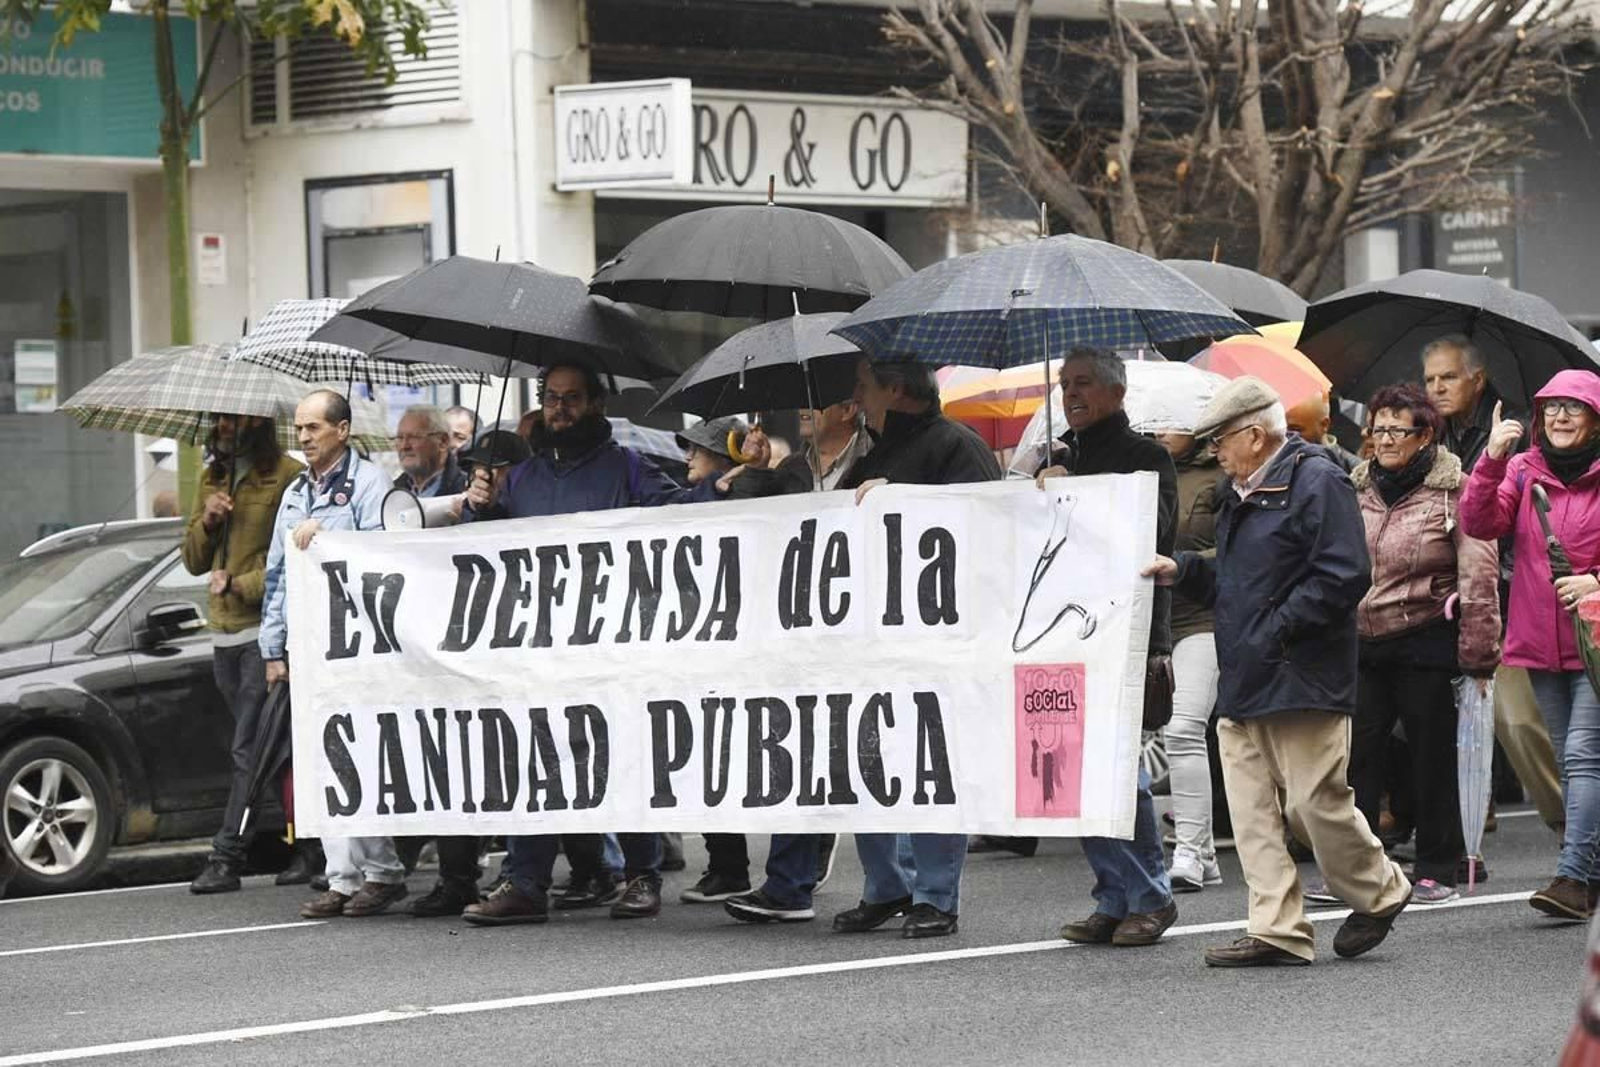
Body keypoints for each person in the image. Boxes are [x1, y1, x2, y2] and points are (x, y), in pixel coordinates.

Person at [1147, 376, 1412, 967]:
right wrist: (1184, 569)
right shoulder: (1240, 489)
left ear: (1254, 435)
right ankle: (1278, 929)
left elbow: (1344, 574)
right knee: (1252, 812)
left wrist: (1275, 628)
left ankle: (1383, 889)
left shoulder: (1317, 480)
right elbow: (1243, 576)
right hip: (1248, 669)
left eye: (1220, 440)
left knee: (1313, 806)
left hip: (1300, 674)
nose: (1213, 451)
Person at [458, 363, 727, 928]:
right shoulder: (523, 478)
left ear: (597, 403)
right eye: (551, 399)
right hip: (539, 648)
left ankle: (640, 874)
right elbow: (489, 552)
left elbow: (678, 516)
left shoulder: (628, 468)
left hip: (612, 647)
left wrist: (721, 487)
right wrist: (482, 506)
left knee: (621, 755)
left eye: (572, 399)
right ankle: (527, 882)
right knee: (535, 760)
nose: (560, 410)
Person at [825, 358, 1001, 939]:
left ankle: (934, 895)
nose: (856, 397)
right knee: (870, 760)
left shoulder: (959, 446)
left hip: (939, 640)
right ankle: (887, 886)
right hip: (875, 638)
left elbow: (986, 526)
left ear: (896, 391)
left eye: (863, 387)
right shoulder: (872, 453)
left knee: (930, 764)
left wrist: (902, 498)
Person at [1036, 348, 1180, 948]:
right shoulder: (1058, 458)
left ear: (1118, 394)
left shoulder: (1146, 457)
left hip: (1125, 632)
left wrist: (1081, 495)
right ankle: (1113, 895)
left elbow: (1156, 533)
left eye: (1085, 383)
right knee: (1074, 773)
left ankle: (1151, 895)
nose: (1071, 393)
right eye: (1065, 383)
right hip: (1062, 634)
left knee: (1119, 772)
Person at [255, 390, 404, 919]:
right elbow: (277, 575)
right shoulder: (296, 490)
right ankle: (342, 878)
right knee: (326, 762)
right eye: (298, 428)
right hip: (311, 645)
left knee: (362, 755)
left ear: (342, 430)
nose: (303, 437)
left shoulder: (369, 484)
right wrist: (273, 647)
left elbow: (386, 553)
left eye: (314, 427)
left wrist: (330, 531)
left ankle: (383, 872)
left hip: (359, 644)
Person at [1349, 384, 1500, 906]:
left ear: (1426, 435)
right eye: (1378, 429)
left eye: (1397, 430)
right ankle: (1361, 868)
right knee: (1358, 757)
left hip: (1427, 637)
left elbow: (1479, 574)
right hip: (1364, 640)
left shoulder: (1455, 489)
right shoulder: (1358, 486)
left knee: (1432, 756)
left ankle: (1439, 865)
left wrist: (1480, 657)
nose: (1384, 440)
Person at [1460, 370, 1600, 920]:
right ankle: (1589, 869)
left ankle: (1571, 879)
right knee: (1573, 762)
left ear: (1595, 418)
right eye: (1552, 407)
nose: (1561, 417)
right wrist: (1491, 458)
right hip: (1542, 640)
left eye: (1575, 407)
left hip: (1596, 641)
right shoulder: (1523, 468)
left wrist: (1596, 583)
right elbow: (1479, 521)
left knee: (1584, 756)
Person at [1424, 336, 1565, 833]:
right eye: (1430, 379)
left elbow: (1523, 515)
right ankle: (1571, 833)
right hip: (1453, 595)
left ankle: (1575, 829)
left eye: (1448, 377)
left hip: (1523, 593)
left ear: (1477, 379)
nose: (1437, 388)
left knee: (1532, 724)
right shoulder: (1431, 435)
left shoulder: (1520, 428)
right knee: (1503, 722)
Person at [406, 429, 533, 919]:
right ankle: (457, 878)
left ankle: (588, 867)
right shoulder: (461, 505)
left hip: (519, 653)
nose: (485, 477)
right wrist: (475, 510)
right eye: (477, 468)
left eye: (494, 468)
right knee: (457, 765)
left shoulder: (532, 502)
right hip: (467, 653)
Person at [185, 413, 304, 895]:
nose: (225, 425)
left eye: (235, 417)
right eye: (218, 418)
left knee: (248, 747)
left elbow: (288, 561)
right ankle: (311, 847)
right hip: (223, 634)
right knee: (272, 747)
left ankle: (226, 855)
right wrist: (210, 520)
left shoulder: (287, 476)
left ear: (259, 421)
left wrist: (240, 584)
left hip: (263, 634)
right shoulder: (211, 478)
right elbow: (192, 558)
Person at [1151, 424, 1224, 893]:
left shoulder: (1222, 477)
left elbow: (1242, 549)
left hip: (1203, 619)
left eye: (1170, 421)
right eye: (1152, 421)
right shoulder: (1138, 467)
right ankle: (1208, 855)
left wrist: (1185, 562)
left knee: (1182, 729)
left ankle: (1191, 851)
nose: (1160, 429)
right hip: (1149, 622)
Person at [392, 405, 467, 499]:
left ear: (443, 441)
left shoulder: (467, 493)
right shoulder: (393, 492)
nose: (404, 446)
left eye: (414, 437)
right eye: (400, 438)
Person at [1285, 391, 1360, 472]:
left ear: (1325, 425)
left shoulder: (1354, 471)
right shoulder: (1281, 461)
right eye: (1284, 429)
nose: (1288, 436)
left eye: (1296, 430)